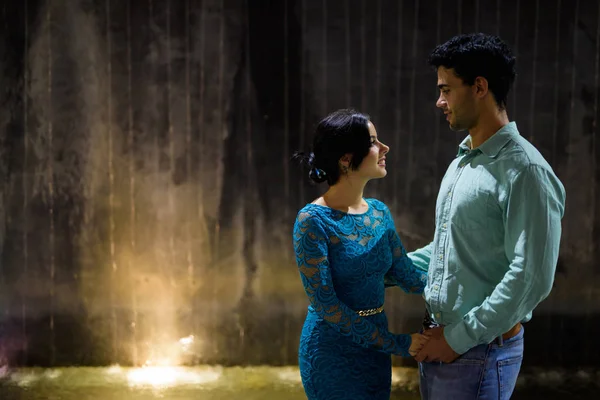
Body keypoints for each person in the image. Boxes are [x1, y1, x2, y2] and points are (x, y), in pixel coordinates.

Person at [407, 33, 566, 400]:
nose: (439, 101)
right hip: (443, 345)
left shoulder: (526, 170)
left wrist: (457, 339)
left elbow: (530, 276)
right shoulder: (465, 159)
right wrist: (384, 269)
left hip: (477, 352)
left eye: (446, 90)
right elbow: (452, 248)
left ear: (479, 86)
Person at [292, 109, 430, 400]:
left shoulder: (379, 212)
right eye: (373, 142)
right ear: (345, 158)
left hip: (375, 352)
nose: (384, 148)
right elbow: (327, 306)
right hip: (331, 353)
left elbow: (408, 276)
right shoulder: (312, 221)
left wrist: (471, 276)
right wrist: (398, 343)